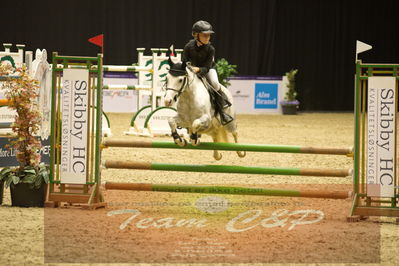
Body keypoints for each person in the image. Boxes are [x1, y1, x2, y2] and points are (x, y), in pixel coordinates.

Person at [182, 20, 234, 125]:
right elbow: (184, 61)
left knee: (214, 83)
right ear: (196, 35)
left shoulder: (210, 49)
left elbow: (207, 66)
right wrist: (189, 68)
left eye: (209, 35)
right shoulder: (188, 46)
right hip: (192, 71)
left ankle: (222, 111)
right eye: (204, 35)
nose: (207, 38)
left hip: (208, 70)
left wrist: (199, 69)